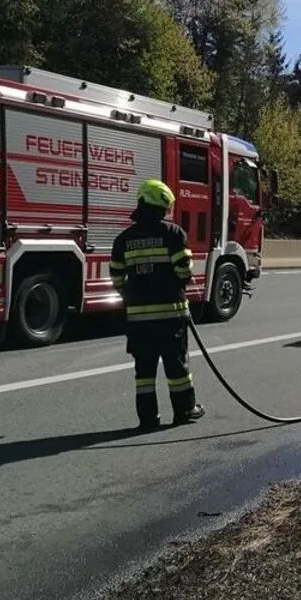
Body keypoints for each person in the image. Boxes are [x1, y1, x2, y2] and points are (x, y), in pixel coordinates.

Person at [109, 179, 206, 432]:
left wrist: (130, 296)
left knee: (144, 371)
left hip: (138, 320)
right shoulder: (173, 234)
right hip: (170, 315)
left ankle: (148, 418)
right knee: (177, 367)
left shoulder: (124, 239)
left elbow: (117, 276)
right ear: (161, 206)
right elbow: (183, 269)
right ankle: (184, 410)